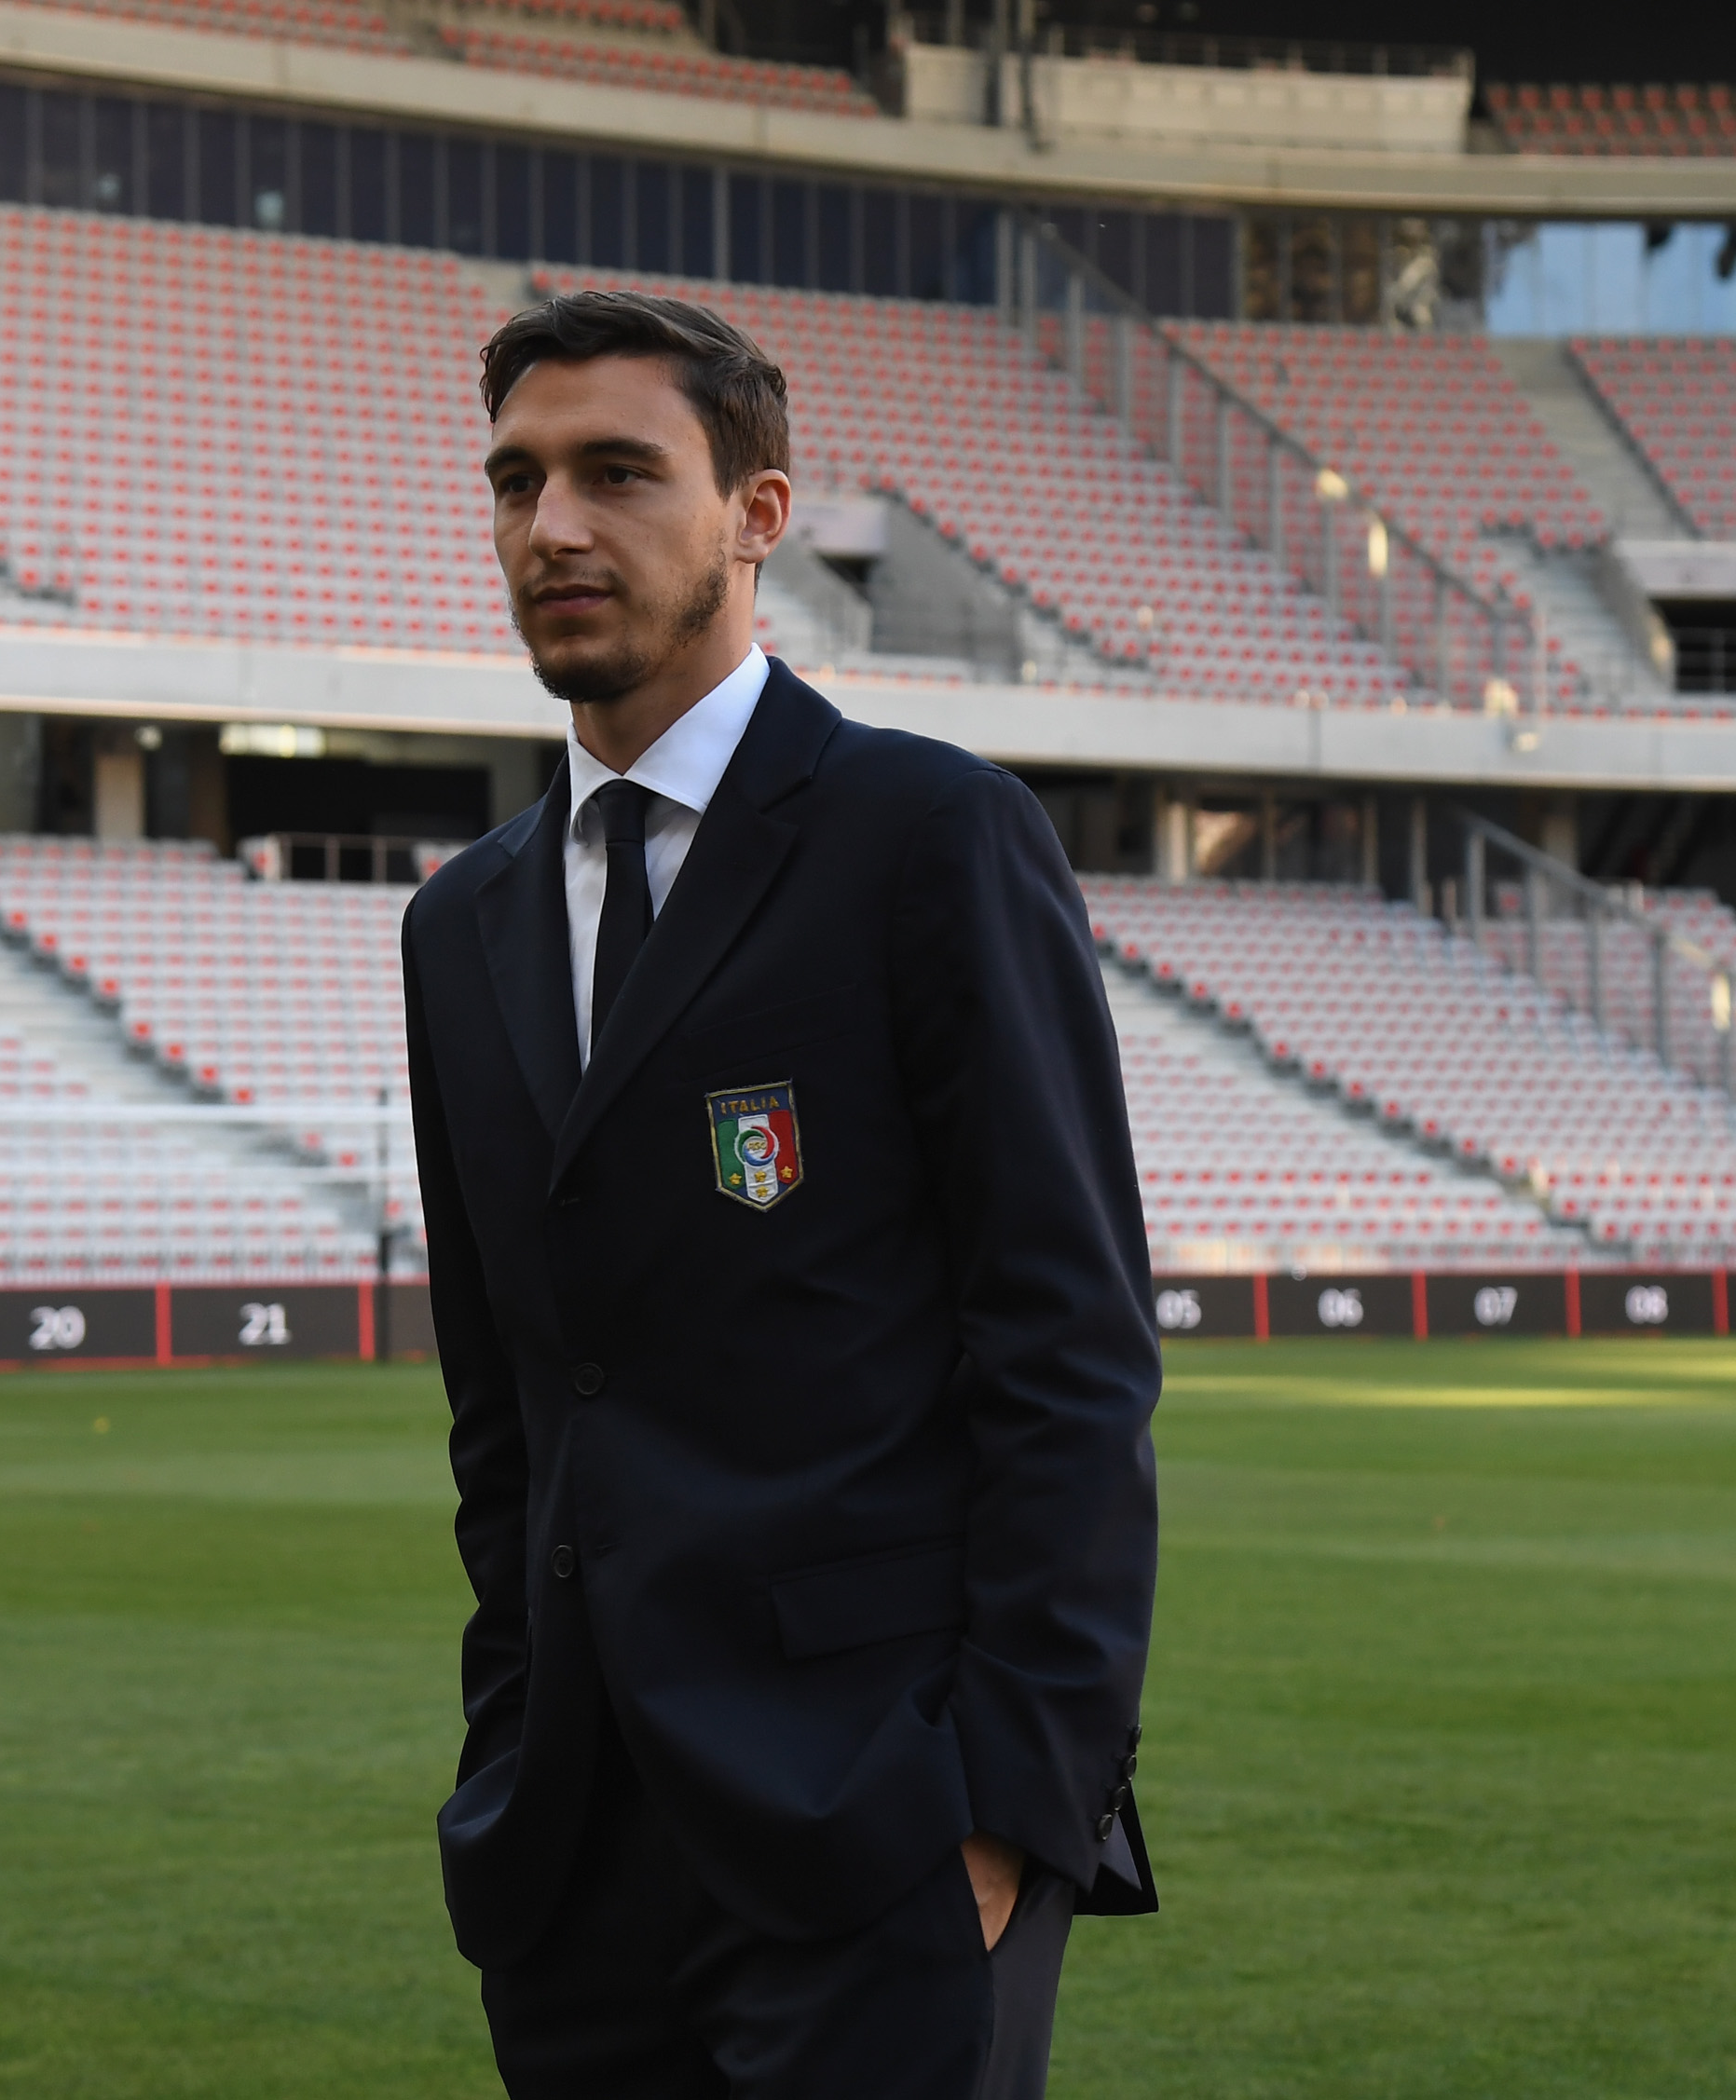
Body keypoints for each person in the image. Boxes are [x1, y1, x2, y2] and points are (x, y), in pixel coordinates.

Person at [400, 291, 1162, 2100]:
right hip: (574, 1848)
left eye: (614, 472)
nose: (552, 526)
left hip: (881, 1822)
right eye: (515, 480)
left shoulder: (928, 835)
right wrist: (510, 1739)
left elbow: (1068, 1353)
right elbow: (505, 1403)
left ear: (757, 513)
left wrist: (1008, 1805)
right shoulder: (461, 922)